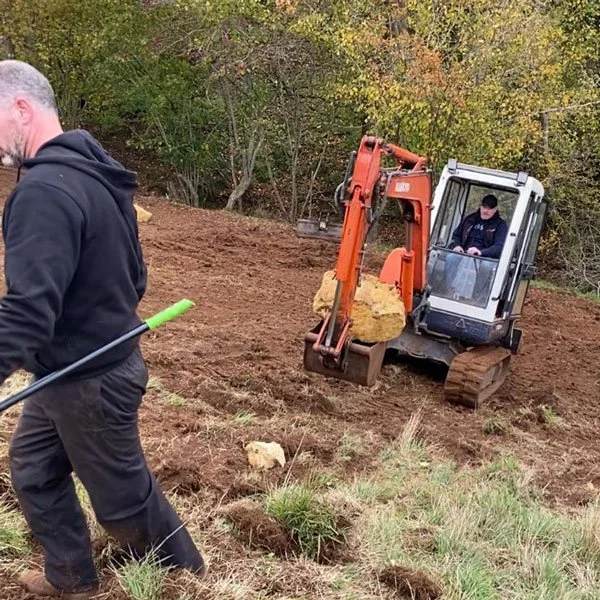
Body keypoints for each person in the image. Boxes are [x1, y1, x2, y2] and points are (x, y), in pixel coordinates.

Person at [0, 60, 205, 599]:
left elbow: (27, 312)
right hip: (69, 369)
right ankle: (70, 577)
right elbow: (136, 275)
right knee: (34, 468)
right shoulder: (98, 172)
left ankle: (190, 581)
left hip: (89, 379)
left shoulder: (43, 194)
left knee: (122, 502)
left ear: (21, 107)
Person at [444, 194, 508, 301]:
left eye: (489, 208)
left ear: (495, 209)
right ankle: (450, 291)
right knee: (451, 258)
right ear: (480, 206)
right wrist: (457, 245)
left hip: (486, 257)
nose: (485, 211)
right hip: (464, 254)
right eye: (484, 207)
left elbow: (499, 247)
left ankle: (477, 297)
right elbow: (456, 235)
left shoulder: (500, 225)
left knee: (486, 266)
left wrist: (480, 252)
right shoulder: (470, 219)